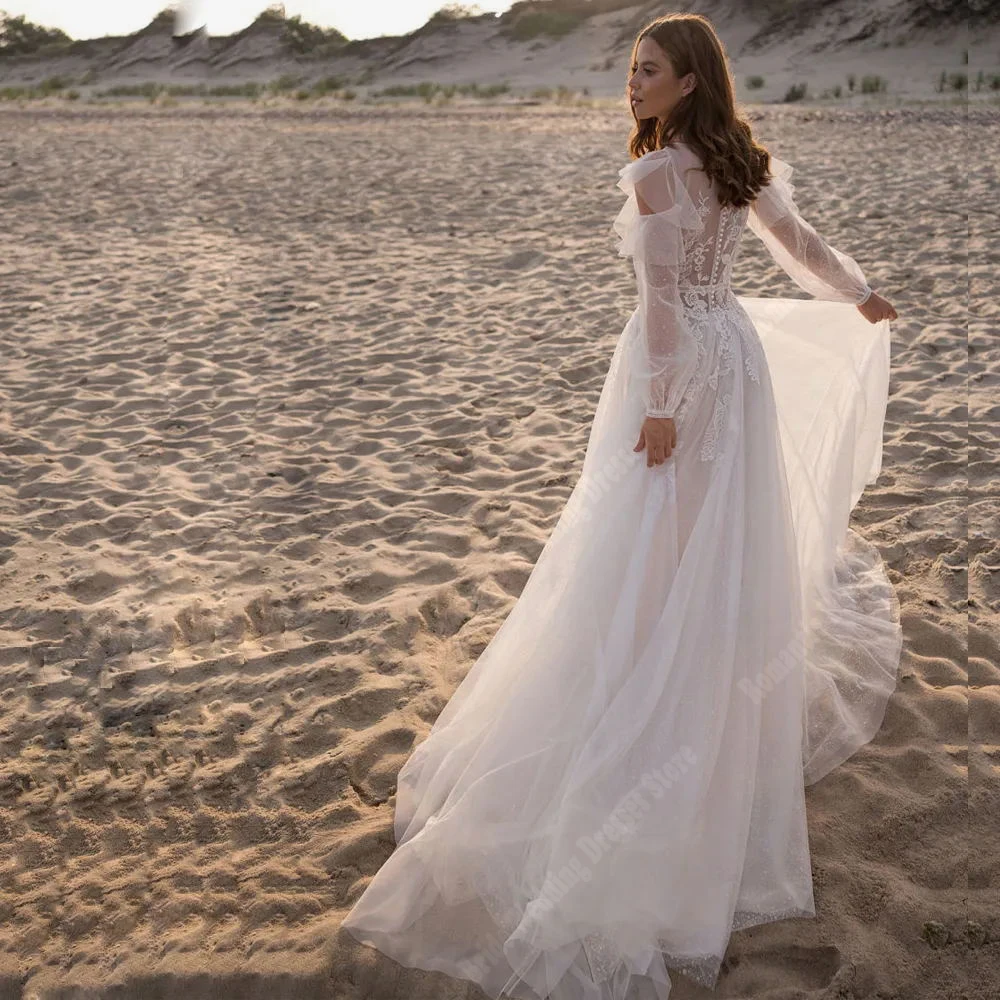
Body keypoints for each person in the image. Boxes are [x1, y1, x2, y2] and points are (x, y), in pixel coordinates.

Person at [340, 12, 903, 1000]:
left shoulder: (653, 176)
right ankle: (692, 719)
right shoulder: (739, 162)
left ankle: (641, 717)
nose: (631, 83)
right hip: (735, 362)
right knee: (709, 547)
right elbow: (800, 245)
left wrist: (655, 407)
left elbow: (656, 303)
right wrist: (856, 293)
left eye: (648, 71)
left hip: (679, 371)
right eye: (630, 69)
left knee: (647, 552)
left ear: (690, 82)